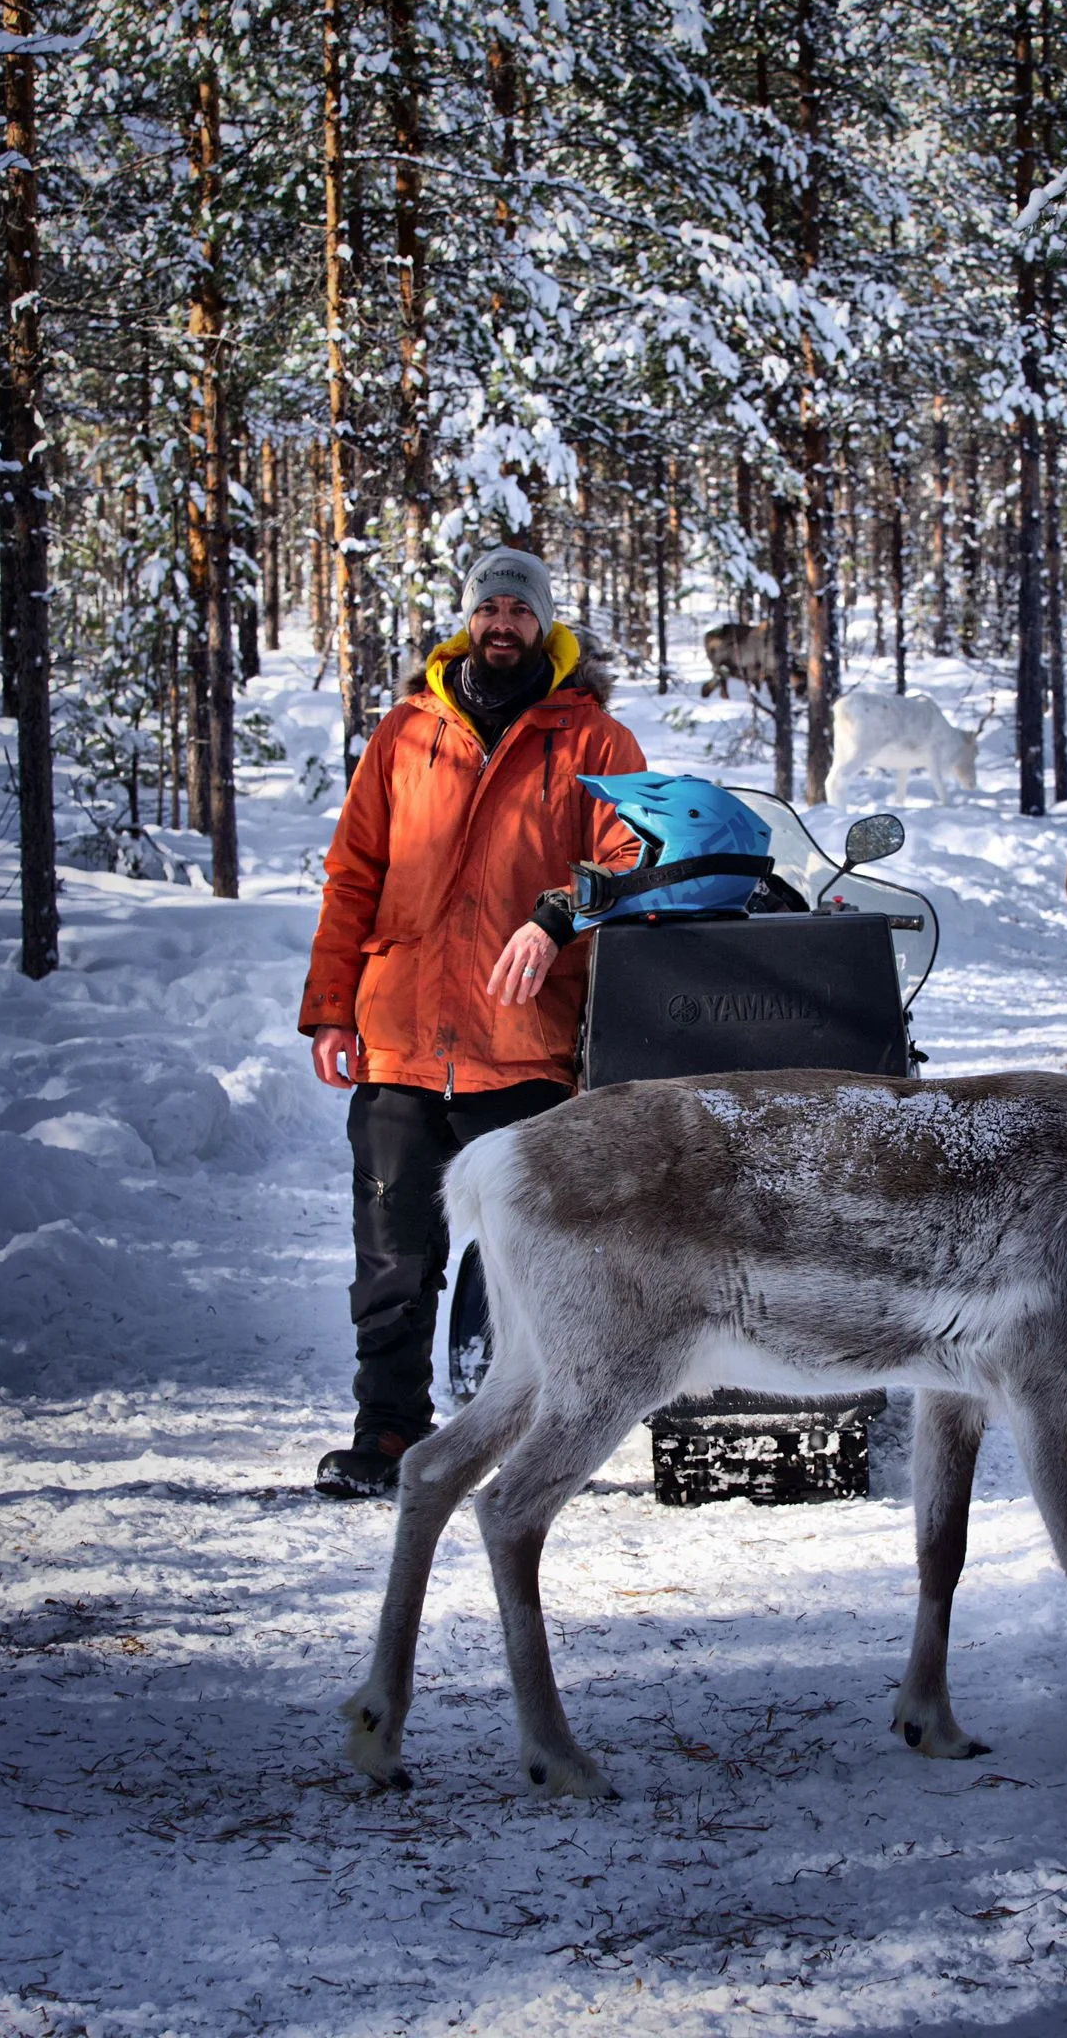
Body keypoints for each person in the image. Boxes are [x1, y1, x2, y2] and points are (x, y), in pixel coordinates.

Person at [299, 546, 646, 1497]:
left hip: (524, 1043)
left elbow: (630, 854)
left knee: (521, 1261)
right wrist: (333, 1009)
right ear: (468, 620)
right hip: (402, 1037)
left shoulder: (592, 739)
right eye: (488, 608)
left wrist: (556, 914)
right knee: (393, 1255)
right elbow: (353, 875)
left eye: (519, 610)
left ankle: (512, 1430)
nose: (502, 624)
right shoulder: (407, 732)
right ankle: (390, 1435)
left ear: (545, 625)